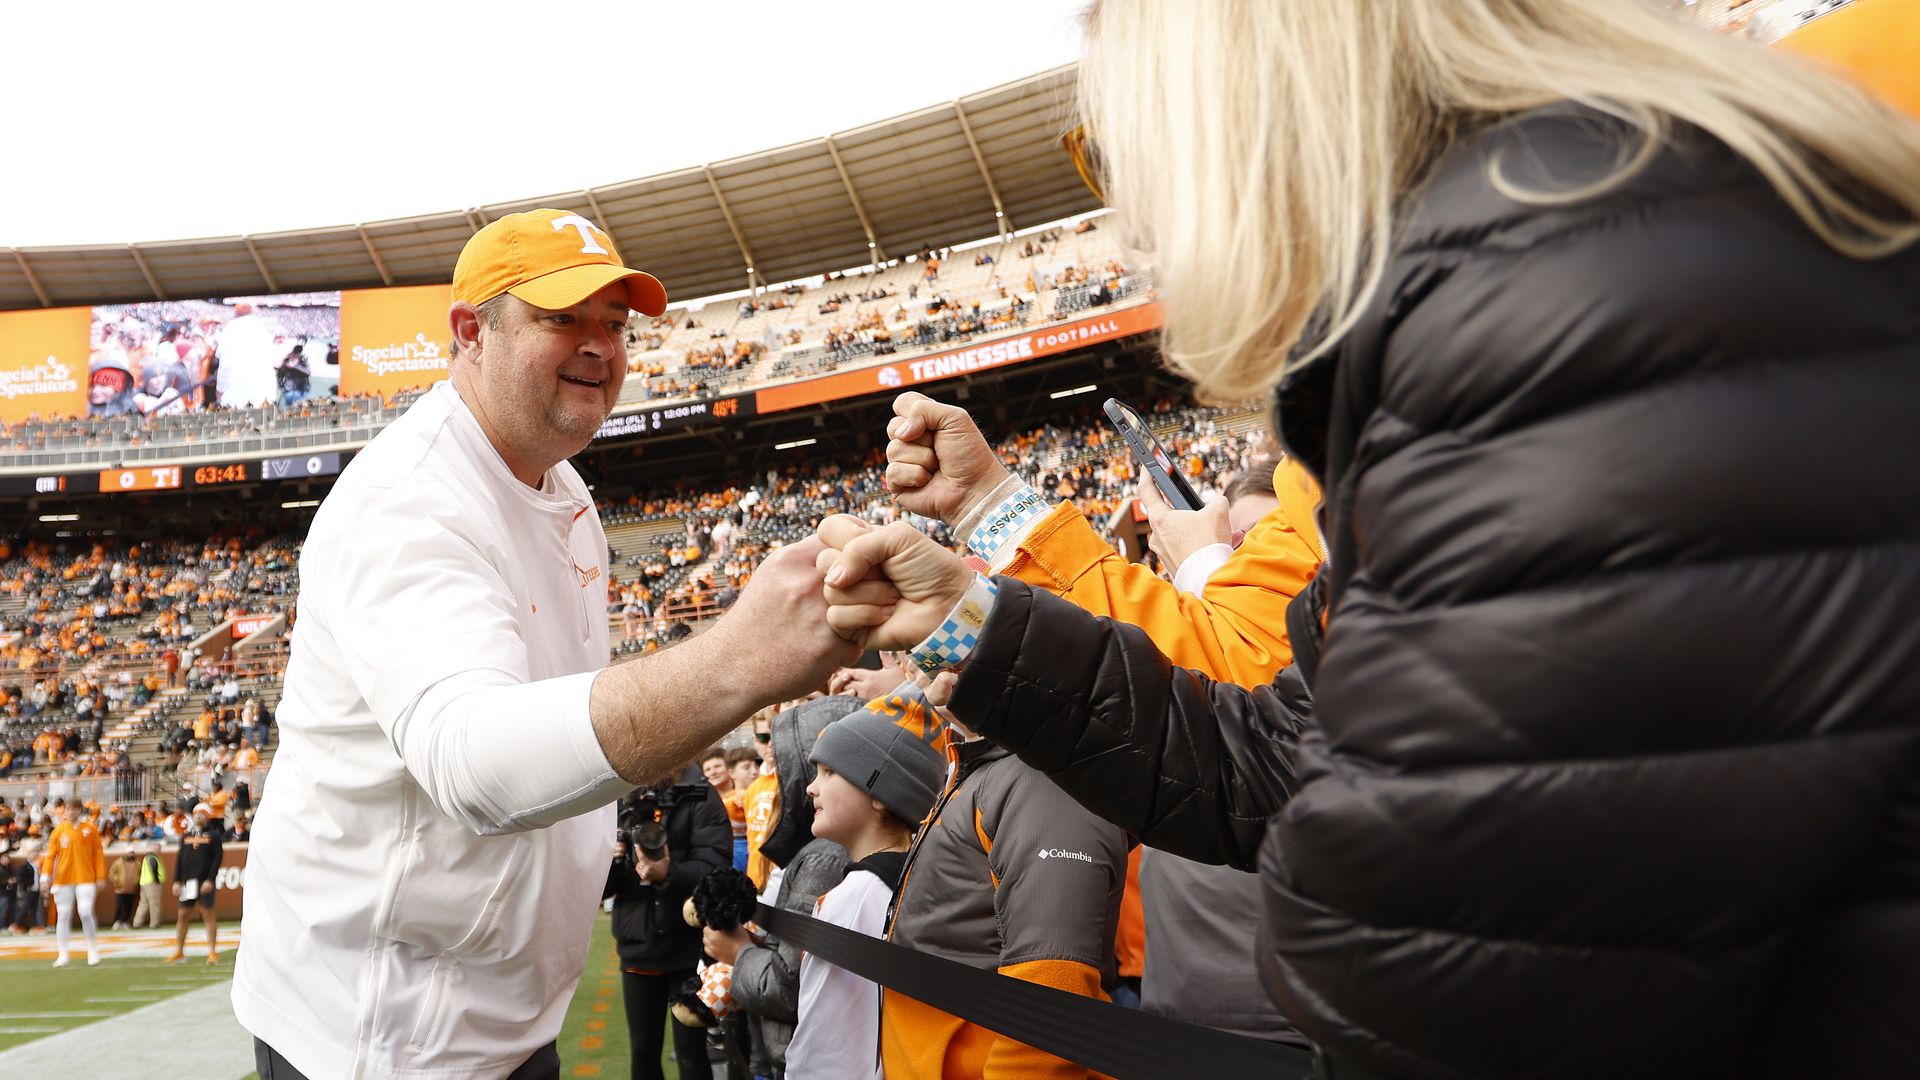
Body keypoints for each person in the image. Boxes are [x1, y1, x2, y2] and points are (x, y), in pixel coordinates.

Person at [815, 3, 1920, 1078]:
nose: (1135, 223)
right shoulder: (1566, 272)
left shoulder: (1559, 316)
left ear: (1253, 104)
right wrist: (967, 621)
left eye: (1119, 151)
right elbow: (1276, 749)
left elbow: (1438, 952)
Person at [234, 208, 854, 1080]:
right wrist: (742, 659)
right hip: (389, 1035)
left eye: (614, 322)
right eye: (561, 317)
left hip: (502, 1017)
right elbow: (477, 763)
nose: (599, 344)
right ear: (469, 333)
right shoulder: (412, 500)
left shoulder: (563, 491)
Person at [705, 696, 861, 1077]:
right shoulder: (818, 849)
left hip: (811, 1055)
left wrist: (739, 952)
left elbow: (789, 985)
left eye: (826, 772)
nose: (807, 788)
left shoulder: (825, 858)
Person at [784, 710, 944, 1079]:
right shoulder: (921, 877)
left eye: (829, 771)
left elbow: (827, 1043)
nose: (811, 787)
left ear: (879, 793)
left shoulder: (858, 895)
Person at [603, 767, 731, 1080]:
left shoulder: (699, 792)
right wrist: (611, 862)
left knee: (692, 1054)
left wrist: (668, 874)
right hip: (638, 946)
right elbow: (599, 888)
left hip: (689, 948)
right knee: (643, 1051)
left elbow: (717, 867)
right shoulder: (618, 796)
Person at [41, 801, 107, 967]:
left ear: (79, 811)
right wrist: (45, 877)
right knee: (63, 915)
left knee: (85, 911)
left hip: (86, 877)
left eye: (74, 809)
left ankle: (92, 949)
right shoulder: (58, 831)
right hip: (63, 878)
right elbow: (50, 856)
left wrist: (100, 875)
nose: (70, 812)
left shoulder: (90, 830)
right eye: (68, 809)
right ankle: (63, 953)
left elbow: (98, 854)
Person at [168, 802, 222, 965]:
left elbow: (217, 859)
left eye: (202, 813)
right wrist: (176, 880)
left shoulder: (213, 836)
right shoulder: (186, 836)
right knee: (182, 915)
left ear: (208, 815)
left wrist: (210, 879)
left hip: (203, 880)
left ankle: (212, 951)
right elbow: (180, 859)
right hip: (187, 881)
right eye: (196, 813)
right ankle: (179, 950)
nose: (198, 816)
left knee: (207, 913)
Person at [133, 842, 167, 930]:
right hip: (152, 883)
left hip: (144, 882)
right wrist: (157, 879)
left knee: (143, 903)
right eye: (158, 848)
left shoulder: (147, 857)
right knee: (154, 903)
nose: (160, 850)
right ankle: (155, 923)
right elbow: (154, 868)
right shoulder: (153, 858)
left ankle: (137, 922)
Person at [108, 847, 140, 930]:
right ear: (125, 853)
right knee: (119, 906)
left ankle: (125, 921)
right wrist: (117, 881)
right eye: (129, 852)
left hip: (131, 889)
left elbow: (139, 874)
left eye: (132, 852)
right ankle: (117, 922)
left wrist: (136, 881)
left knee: (129, 906)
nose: (131, 854)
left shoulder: (137, 864)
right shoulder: (118, 862)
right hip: (120, 889)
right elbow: (112, 873)